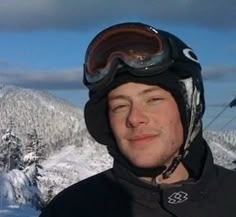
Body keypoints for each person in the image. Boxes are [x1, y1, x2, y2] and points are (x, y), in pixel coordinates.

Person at [39, 22, 236, 217]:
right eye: (120, 106)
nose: (134, 118)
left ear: (190, 106)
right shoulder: (71, 210)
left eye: (153, 99)